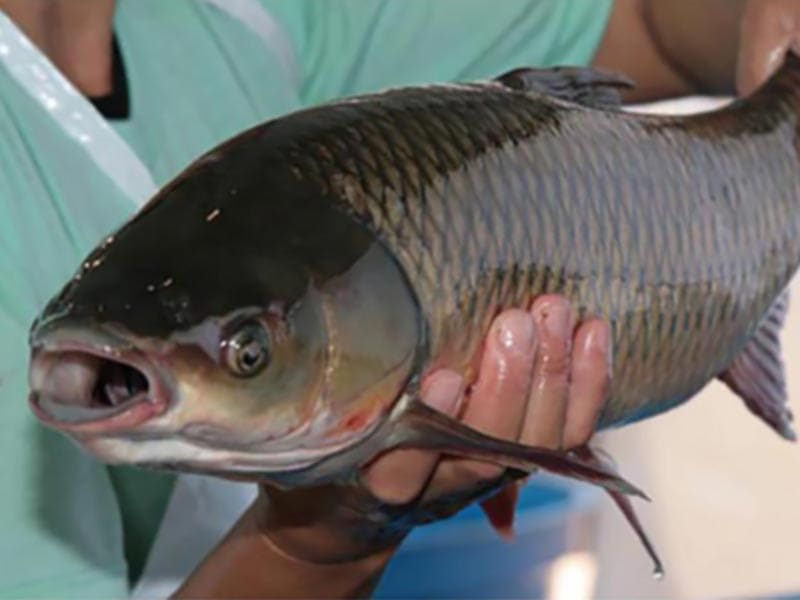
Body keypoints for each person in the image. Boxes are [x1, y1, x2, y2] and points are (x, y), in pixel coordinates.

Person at [1, 1, 798, 598]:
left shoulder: (244, 16)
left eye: (249, 353)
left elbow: (651, 23)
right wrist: (318, 542)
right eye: (253, 355)